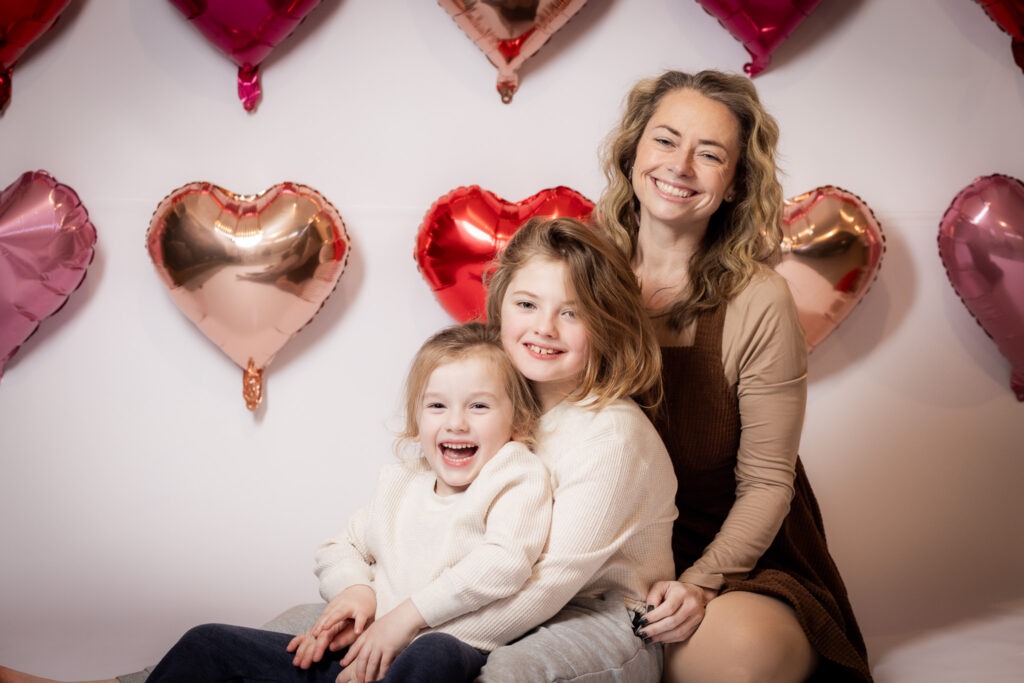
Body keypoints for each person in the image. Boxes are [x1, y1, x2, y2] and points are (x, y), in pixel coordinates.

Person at [1, 216, 678, 683]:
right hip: (451, 602)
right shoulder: (486, 409)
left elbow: (535, 588)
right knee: (304, 628)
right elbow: (378, 531)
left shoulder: (609, 431)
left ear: (607, 321)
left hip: (586, 616)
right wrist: (362, 595)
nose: (545, 328)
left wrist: (400, 622)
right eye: (528, 304)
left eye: (572, 311)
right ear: (498, 308)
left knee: (473, 668)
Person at [3, 322, 554, 683]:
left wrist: (405, 620)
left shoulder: (515, 475)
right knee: (208, 644)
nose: (456, 422)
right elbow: (341, 547)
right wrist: (357, 591)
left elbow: (505, 562)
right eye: (438, 406)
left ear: (518, 421)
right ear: (418, 420)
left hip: (432, 652)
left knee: (430, 656)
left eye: (479, 406)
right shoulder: (402, 483)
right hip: (356, 654)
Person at [594, 69, 873, 682]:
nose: (681, 165)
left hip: (736, 566)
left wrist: (698, 584)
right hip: (597, 561)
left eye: (710, 153)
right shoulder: (579, 275)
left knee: (735, 655)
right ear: (633, 151)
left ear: (735, 184)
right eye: (666, 140)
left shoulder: (758, 299)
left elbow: (769, 485)